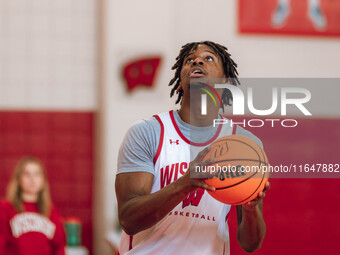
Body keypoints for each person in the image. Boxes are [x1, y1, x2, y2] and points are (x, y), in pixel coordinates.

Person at [115, 41, 270, 255]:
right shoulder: (147, 132)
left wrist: (251, 209)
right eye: (189, 60)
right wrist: (186, 183)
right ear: (179, 83)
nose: (197, 61)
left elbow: (250, 244)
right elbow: (128, 219)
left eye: (208, 58)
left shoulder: (244, 144)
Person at [0, 156, 66, 255]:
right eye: (27, 174)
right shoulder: (5, 208)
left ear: (43, 180)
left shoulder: (51, 211)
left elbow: (59, 248)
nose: (33, 179)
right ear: (18, 179)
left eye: (37, 174)